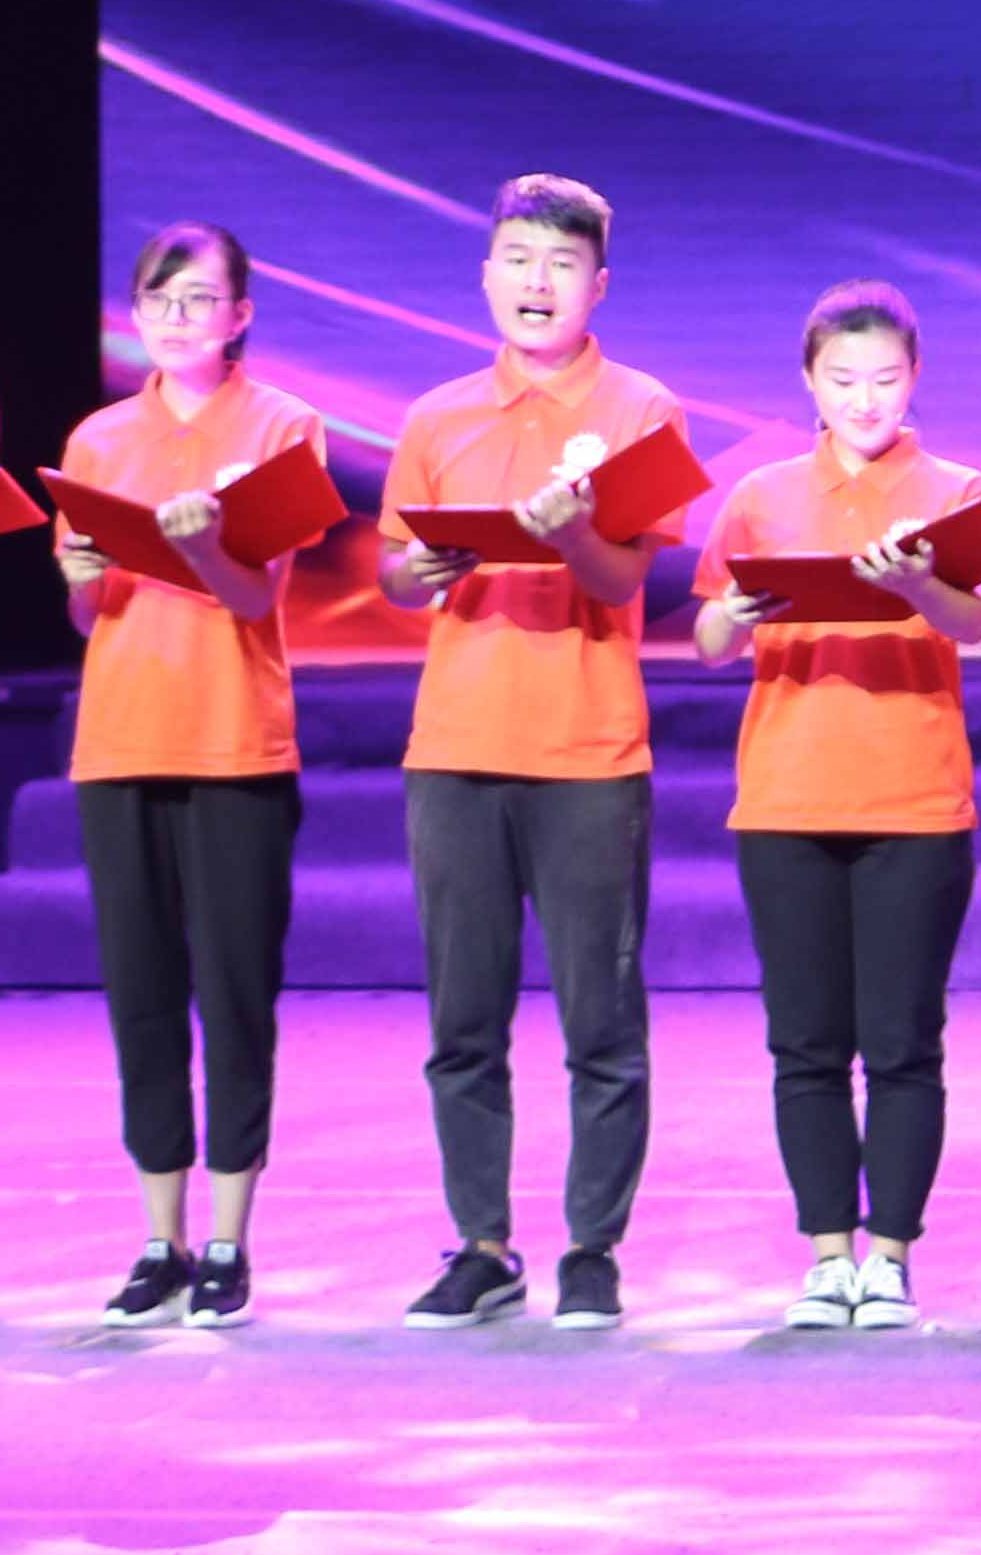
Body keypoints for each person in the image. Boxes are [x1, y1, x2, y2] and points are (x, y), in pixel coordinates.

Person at [378, 172, 688, 1333]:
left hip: (587, 750)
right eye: (516, 259)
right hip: (455, 745)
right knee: (462, 1020)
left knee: (600, 1020)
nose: (536, 282)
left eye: (561, 263)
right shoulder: (437, 415)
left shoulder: (642, 407)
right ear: (485, 275)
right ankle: (481, 1243)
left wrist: (575, 536)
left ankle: (592, 1248)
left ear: (599, 283)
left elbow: (630, 580)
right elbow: (394, 571)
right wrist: (419, 569)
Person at [691, 282, 981, 1334]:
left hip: (914, 799)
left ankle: (892, 1258)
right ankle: (828, 1256)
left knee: (903, 1039)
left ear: (914, 378)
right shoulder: (761, 494)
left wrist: (916, 585)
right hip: (787, 799)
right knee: (807, 1041)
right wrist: (736, 612)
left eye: (883, 378)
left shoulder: (956, 492)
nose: (864, 399)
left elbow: (973, 622)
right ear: (808, 383)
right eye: (842, 379)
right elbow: (708, 638)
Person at [51, 223, 327, 1330]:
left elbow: (258, 597)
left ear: (239, 314)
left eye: (199, 298)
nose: (177, 317)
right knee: (141, 994)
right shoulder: (97, 437)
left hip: (233, 742)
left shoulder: (282, 427)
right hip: (120, 742)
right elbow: (87, 613)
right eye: (159, 298)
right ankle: (156, 1237)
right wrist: (83, 572)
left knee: (234, 992)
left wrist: (206, 543)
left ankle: (227, 1237)